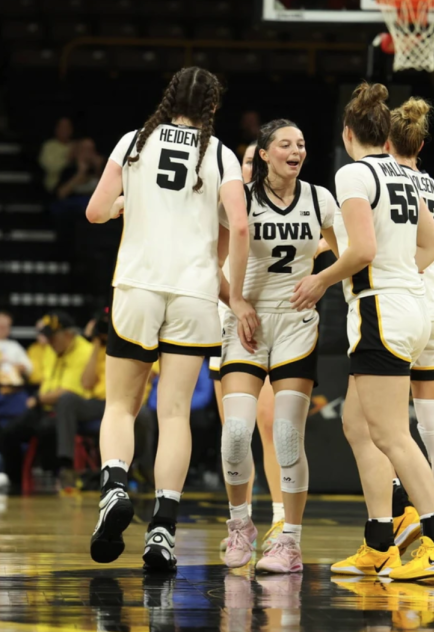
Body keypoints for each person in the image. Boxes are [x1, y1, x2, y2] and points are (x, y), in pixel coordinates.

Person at [288, 82, 434, 580]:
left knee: (390, 433)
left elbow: (362, 249)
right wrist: (401, 274)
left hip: (380, 309)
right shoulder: (407, 175)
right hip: (408, 304)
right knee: (357, 427)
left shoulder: (353, 174)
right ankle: (379, 541)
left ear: (347, 133)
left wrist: (321, 279)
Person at [83, 66, 250, 571]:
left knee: (120, 404)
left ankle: (115, 486)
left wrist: (120, 206)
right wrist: (235, 295)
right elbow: (238, 226)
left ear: (168, 98)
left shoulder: (133, 141)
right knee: (174, 411)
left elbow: (93, 211)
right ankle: (163, 529)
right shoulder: (220, 153)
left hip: (138, 285)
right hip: (195, 294)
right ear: (212, 108)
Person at [215, 118, 339, 574]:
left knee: (286, 435)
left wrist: (322, 278)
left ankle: (289, 541)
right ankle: (240, 525)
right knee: (234, 434)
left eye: (302, 143)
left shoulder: (320, 198)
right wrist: (235, 299)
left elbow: (352, 249)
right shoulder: (239, 202)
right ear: (263, 154)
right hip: (247, 323)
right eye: (285, 144)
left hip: (295, 324)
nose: (296, 150)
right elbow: (211, 262)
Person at [385, 99, 434, 547]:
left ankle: (401, 513)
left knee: (383, 424)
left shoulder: (380, 178)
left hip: (400, 305)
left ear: (385, 139)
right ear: (421, 144)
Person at [208, 142, 286, 555]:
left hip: (277, 324)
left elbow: (328, 241)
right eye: (248, 161)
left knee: (274, 425)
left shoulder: (298, 202)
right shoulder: (226, 205)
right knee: (235, 434)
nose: (254, 166)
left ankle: (279, 519)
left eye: (259, 159)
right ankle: (241, 523)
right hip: (230, 323)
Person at [54, 314, 157, 492]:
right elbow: (86, 383)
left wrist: (123, 342)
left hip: (129, 403)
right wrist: (95, 343)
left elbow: (149, 375)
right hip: (100, 403)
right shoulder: (98, 350)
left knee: (145, 415)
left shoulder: (140, 343)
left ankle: (145, 468)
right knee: (67, 400)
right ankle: (67, 466)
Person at [0, 311, 95, 489]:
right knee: (9, 432)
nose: (49, 342)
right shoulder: (51, 350)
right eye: (47, 337)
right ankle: (15, 483)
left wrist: (37, 398)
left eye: (53, 337)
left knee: (47, 429)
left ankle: (53, 478)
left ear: (68, 334)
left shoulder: (85, 352)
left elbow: (69, 390)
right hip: (44, 405)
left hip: (68, 410)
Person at [39, 116, 74, 193]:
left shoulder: (76, 145)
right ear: (56, 129)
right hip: (56, 186)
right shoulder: (49, 146)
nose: (65, 130)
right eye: (62, 127)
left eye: (67, 127)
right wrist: (68, 158)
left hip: (79, 186)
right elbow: (51, 168)